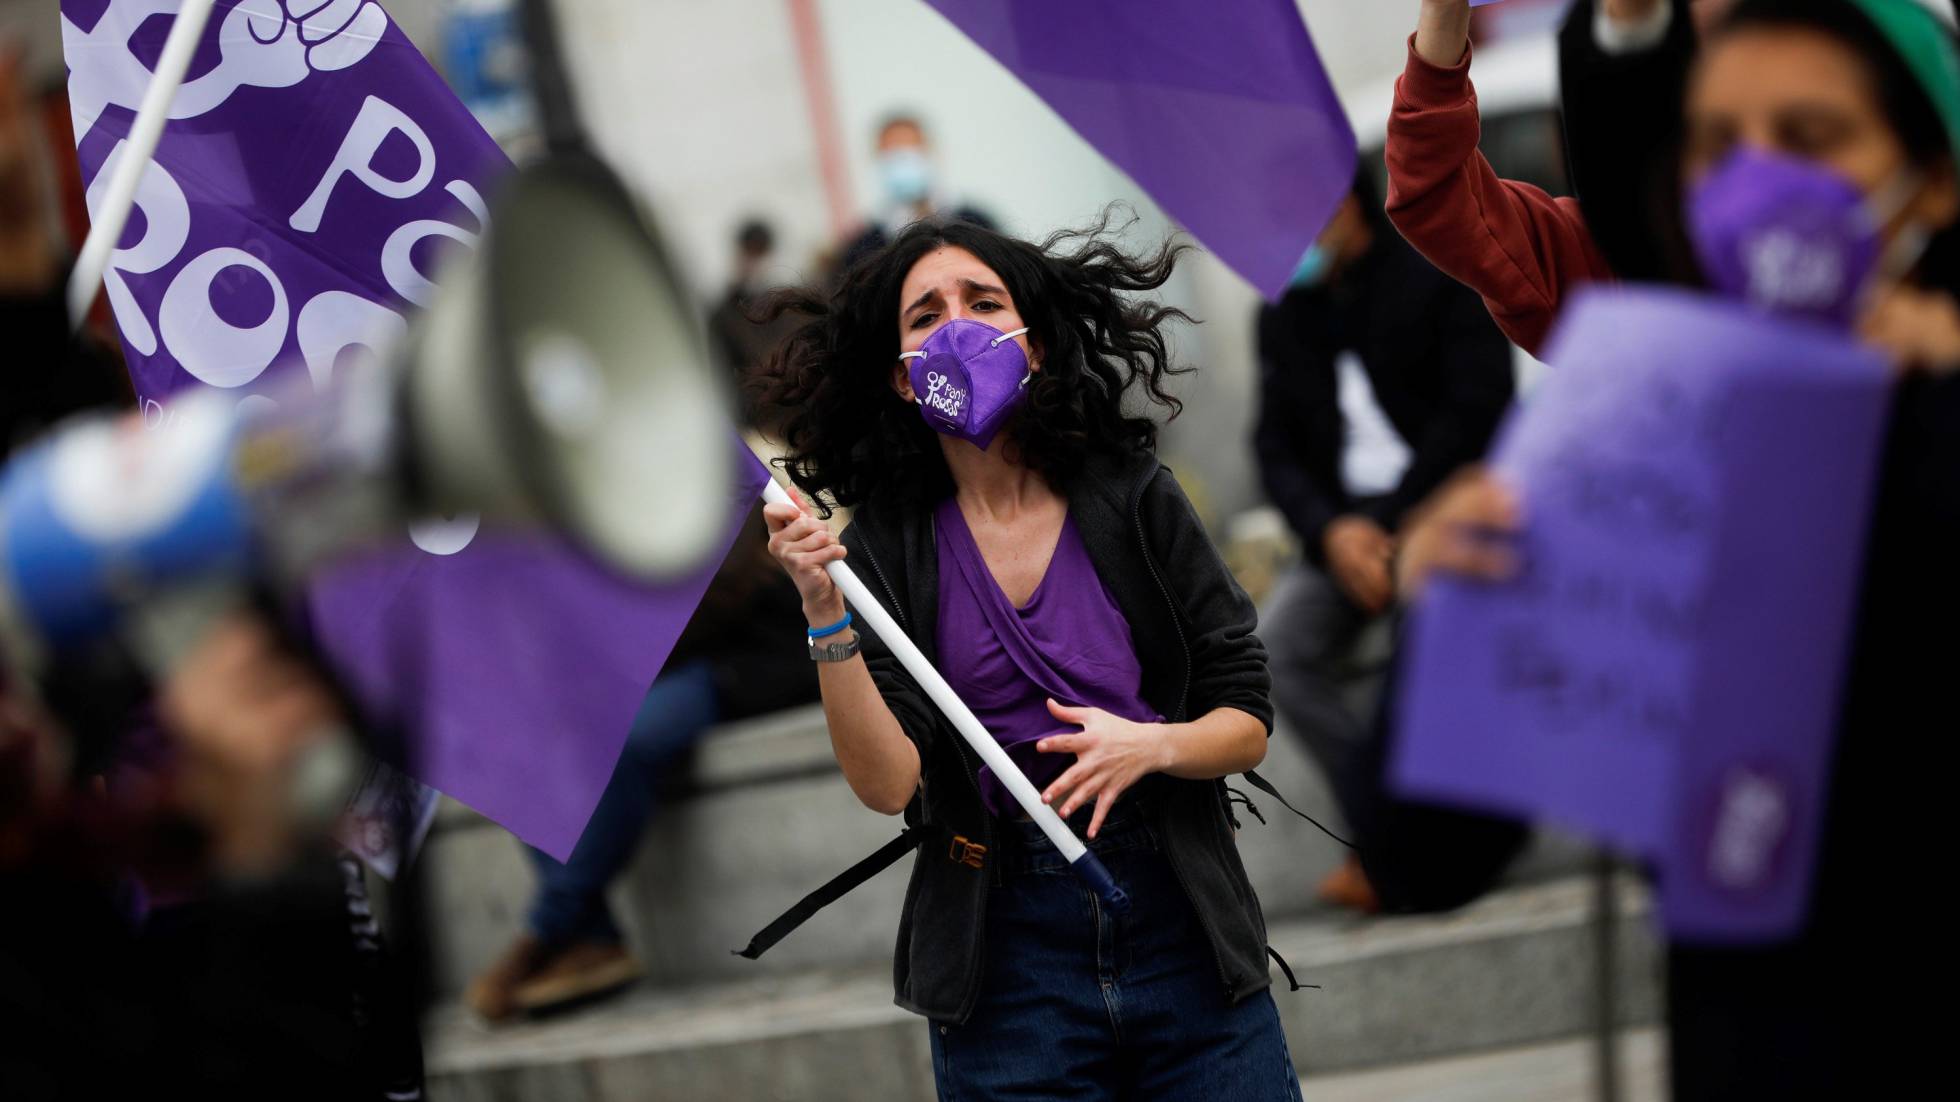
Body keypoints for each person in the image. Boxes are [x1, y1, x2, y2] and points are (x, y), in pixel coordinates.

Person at [1381, 1, 1960, 1095]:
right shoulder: (1643, 455)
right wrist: (1444, 615)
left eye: (1812, 138)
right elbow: (1427, 850)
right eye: (1715, 146)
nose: (1757, 186)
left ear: (1932, 173)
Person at [751, 214, 1299, 1100]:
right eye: (926, 316)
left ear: (1033, 345)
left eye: (983, 301)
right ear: (900, 377)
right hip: (1006, 963)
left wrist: (1149, 745)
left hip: (1181, 926)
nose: (958, 326)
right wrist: (826, 613)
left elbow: (1247, 722)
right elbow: (889, 786)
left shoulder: (1133, 496)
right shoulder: (888, 552)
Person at [1253, 167, 1512, 912]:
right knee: (1281, 654)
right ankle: (1383, 842)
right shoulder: (1283, 311)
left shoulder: (1432, 273)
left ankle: (1431, 850)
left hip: (1440, 514)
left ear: (1344, 204)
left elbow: (1475, 410)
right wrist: (1334, 532)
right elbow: (1272, 447)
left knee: (1429, 640)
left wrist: (1403, 526)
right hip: (1343, 532)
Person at [463, 508, 820, 1024]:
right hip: (656, 662)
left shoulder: (709, 478)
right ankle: (591, 939)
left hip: (747, 654)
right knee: (526, 743)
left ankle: (545, 930)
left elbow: (723, 589)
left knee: (632, 740)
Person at [836, 113, 995, 273]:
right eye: (892, 156)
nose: (901, 164)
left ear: (930, 154)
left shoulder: (977, 222)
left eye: (908, 153)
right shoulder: (864, 247)